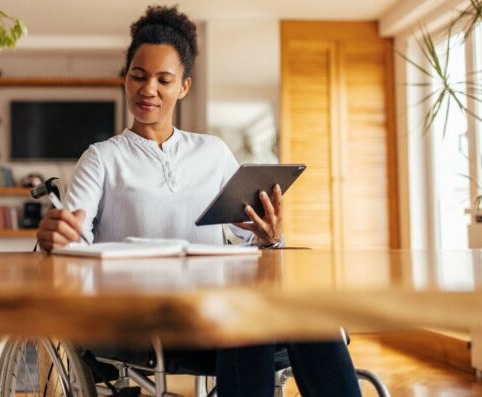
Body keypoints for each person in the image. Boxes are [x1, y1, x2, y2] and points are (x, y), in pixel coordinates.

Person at [36, 5, 362, 397]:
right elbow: (73, 248)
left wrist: (268, 239)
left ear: (184, 86)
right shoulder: (102, 157)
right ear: (125, 79)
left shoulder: (214, 153)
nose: (148, 89)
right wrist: (57, 241)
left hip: (217, 311)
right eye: (138, 76)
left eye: (163, 79)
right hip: (142, 321)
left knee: (310, 313)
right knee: (247, 320)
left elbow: (245, 244)